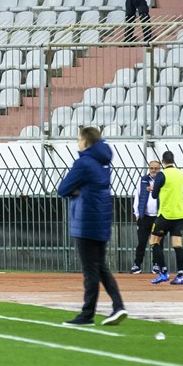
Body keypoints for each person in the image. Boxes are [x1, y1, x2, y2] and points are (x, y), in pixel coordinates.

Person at [57, 126, 128, 326]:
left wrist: (76, 191)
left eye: (79, 140)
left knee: (90, 272)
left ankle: (87, 314)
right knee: (101, 267)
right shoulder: (104, 164)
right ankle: (118, 305)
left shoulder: (84, 163)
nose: (78, 143)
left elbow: (63, 189)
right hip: (102, 221)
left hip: (85, 221)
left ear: (86, 142)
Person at [148, 150, 183, 285]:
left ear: (163, 162)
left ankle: (163, 272)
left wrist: (153, 188)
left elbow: (154, 195)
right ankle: (180, 275)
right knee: (177, 245)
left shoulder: (161, 174)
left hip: (165, 214)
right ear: (173, 160)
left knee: (154, 241)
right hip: (179, 213)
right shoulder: (180, 173)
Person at [131, 160, 160, 274]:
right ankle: (137, 264)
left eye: (156, 168)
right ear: (149, 168)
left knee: (157, 242)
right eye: (151, 168)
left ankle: (156, 264)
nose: (154, 170)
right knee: (141, 242)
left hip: (157, 216)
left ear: (159, 169)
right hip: (145, 216)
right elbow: (137, 196)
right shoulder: (143, 180)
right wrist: (137, 213)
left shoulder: (162, 181)